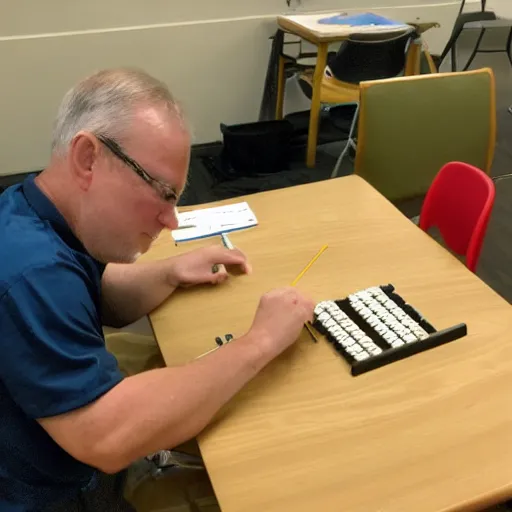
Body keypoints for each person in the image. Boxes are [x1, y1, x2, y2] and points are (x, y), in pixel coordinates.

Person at [0, 68, 314, 512]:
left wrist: (167, 273)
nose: (172, 221)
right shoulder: (32, 273)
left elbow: (94, 292)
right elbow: (106, 437)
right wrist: (260, 342)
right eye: (162, 193)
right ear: (88, 157)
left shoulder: (33, 210)